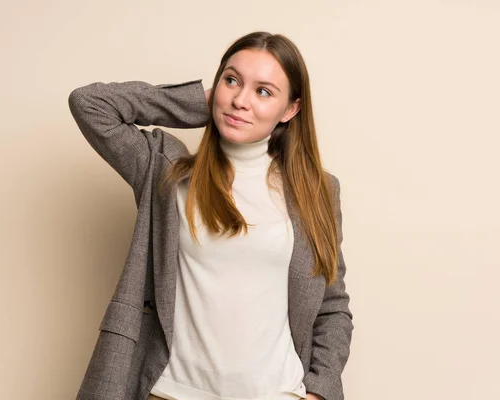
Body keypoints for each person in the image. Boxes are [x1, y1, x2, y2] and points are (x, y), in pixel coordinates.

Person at [68, 31, 353, 400]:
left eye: (263, 91)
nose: (240, 100)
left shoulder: (316, 192)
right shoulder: (165, 171)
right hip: (171, 392)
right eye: (231, 81)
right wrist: (202, 104)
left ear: (291, 109)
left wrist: (319, 391)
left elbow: (332, 305)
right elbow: (89, 103)